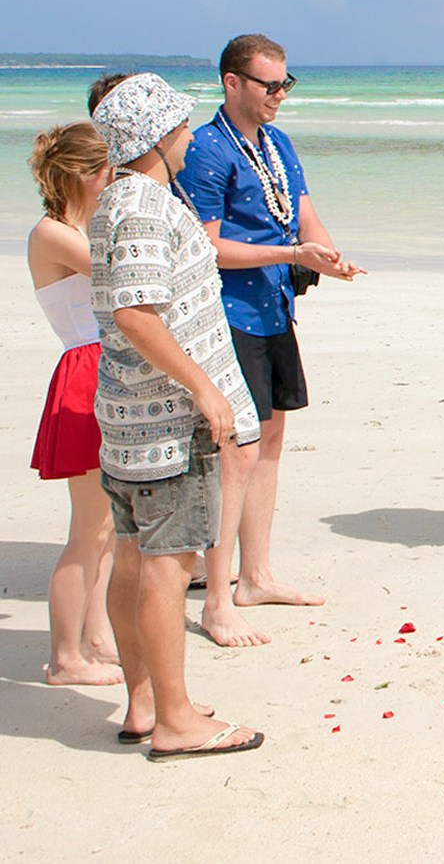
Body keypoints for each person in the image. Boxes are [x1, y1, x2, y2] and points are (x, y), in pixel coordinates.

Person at [89, 73, 264, 759]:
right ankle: (176, 719)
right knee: (168, 564)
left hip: (130, 418)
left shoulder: (122, 198)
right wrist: (205, 388)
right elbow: (137, 312)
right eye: (182, 126)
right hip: (164, 421)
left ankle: (144, 702)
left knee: (136, 560)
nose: (191, 136)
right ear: (158, 135)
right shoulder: (142, 204)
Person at [179, 33, 361, 647]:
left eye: (287, 83)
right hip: (230, 312)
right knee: (237, 450)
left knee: (273, 437)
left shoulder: (278, 142)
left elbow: (304, 212)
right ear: (232, 83)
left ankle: (256, 574)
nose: (280, 95)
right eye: (269, 85)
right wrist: (290, 252)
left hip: (276, 304)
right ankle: (219, 594)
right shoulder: (207, 149)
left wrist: (327, 255)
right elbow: (206, 246)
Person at [26, 122, 122, 687]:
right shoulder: (53, 233)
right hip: (85, 369)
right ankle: (66, 656)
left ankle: (94, 633)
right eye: (109, 171)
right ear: (85, 176)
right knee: (88, 528)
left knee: (107, 525)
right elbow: (116, 273)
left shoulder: (82, 226)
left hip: (102, 364)